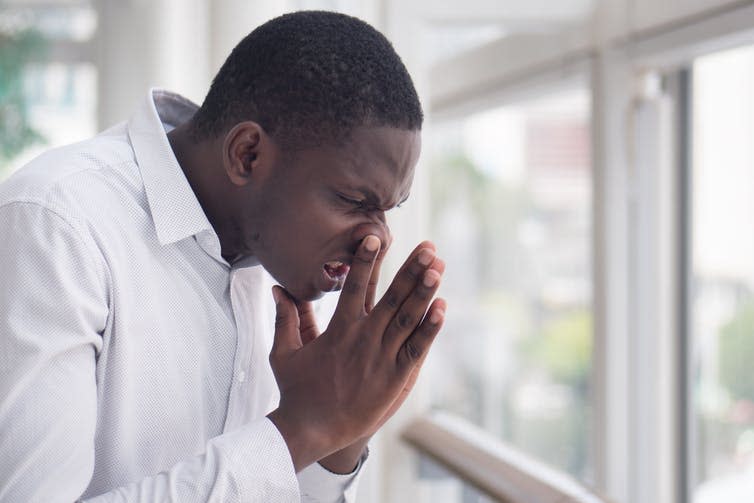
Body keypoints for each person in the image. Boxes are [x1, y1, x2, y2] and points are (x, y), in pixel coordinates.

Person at [0, 10, 446, 503]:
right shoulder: (56, 223)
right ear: (248, 154)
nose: (377, 240)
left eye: (388, 209)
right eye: (353, 200)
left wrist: (338, 442)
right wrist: (302, 429)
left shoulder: (292, 260)